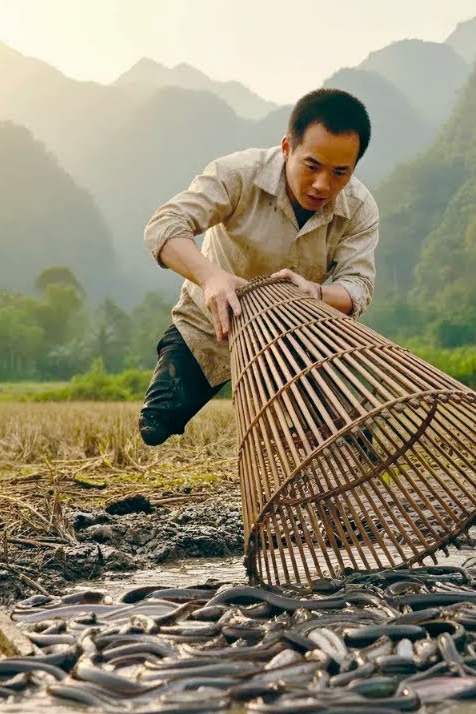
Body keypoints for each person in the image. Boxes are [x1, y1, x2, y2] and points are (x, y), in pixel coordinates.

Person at [138, 88, 378, 446]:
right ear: (286, 148)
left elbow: (358, 285)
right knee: (156, 425)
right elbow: (164, 226)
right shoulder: (237, 175)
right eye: (311, 166)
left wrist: (318, 293)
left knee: (344, 438)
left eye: (340, 172)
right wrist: (211, 277)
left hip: (293, 339)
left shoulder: (358, 208)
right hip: (211, 326)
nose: (322, 185)